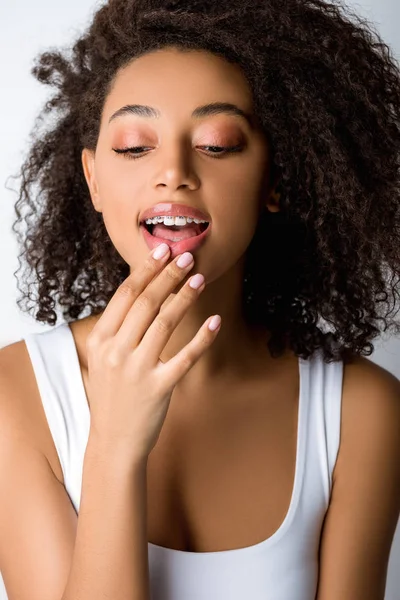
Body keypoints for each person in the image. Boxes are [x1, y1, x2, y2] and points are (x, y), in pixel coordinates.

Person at [0, 0, 399, 598]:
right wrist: (113, 448)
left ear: (275, 181)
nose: (174, 172)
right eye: (135, 146)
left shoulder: (362, 410)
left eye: (217, 144)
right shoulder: (15, 395)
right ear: (93, 181)